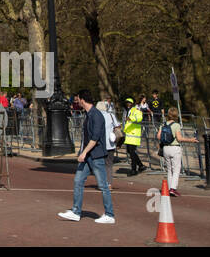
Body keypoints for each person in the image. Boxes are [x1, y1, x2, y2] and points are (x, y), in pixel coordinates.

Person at [58, 89, 115, 224]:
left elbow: (95, 138)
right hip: (88, 155)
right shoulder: (89, 114)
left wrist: (83, 153)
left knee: (103, 186)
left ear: (83, 99)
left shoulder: (96, 115)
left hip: (96, 156)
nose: (77, 102)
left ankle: (109, 214)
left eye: (78, 99)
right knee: (78, 181)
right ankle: (76, 211)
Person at [159, 108, 196, 196]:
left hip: (165, 148)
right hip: (175, 148)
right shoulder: (176, 125)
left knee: (169, 169)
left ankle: (168, 188)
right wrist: (190, 140)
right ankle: (173, 188)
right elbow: (179, 138)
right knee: (176, 169)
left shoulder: (163, 124)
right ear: (176, 115)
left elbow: (158, 136)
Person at [122, 98, 146, 175]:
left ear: (132, 103)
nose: (128, 104)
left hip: (134, 135)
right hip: (129, 135)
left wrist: (131, 118)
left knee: (132, 152)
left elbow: (139, 118)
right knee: (130, 152)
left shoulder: (136, 110)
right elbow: (126, 122)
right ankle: (141, 165)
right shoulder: (126, 111)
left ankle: (134, 169)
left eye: (130, 103)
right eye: (127, 103)